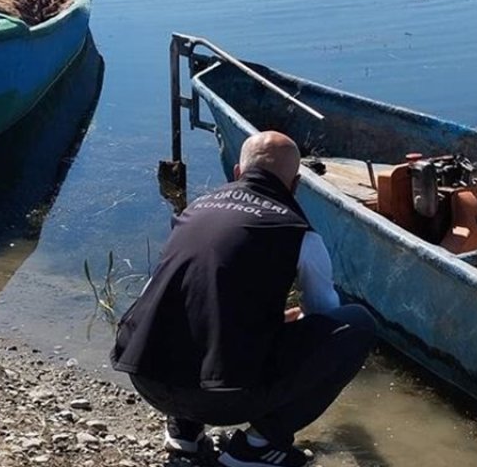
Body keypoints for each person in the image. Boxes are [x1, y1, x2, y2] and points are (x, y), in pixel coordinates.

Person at [112, 130, 376, 467]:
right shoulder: (299, 233)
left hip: (146, 378)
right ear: (295, 185)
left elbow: (162, 296)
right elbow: (324, 319)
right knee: (357, 326)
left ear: (238, 172)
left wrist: (269, 322)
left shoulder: (194, 211)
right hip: (222, 398)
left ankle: (184, 432)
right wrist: (286, 328)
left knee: (188, 304)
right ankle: (259, 446)